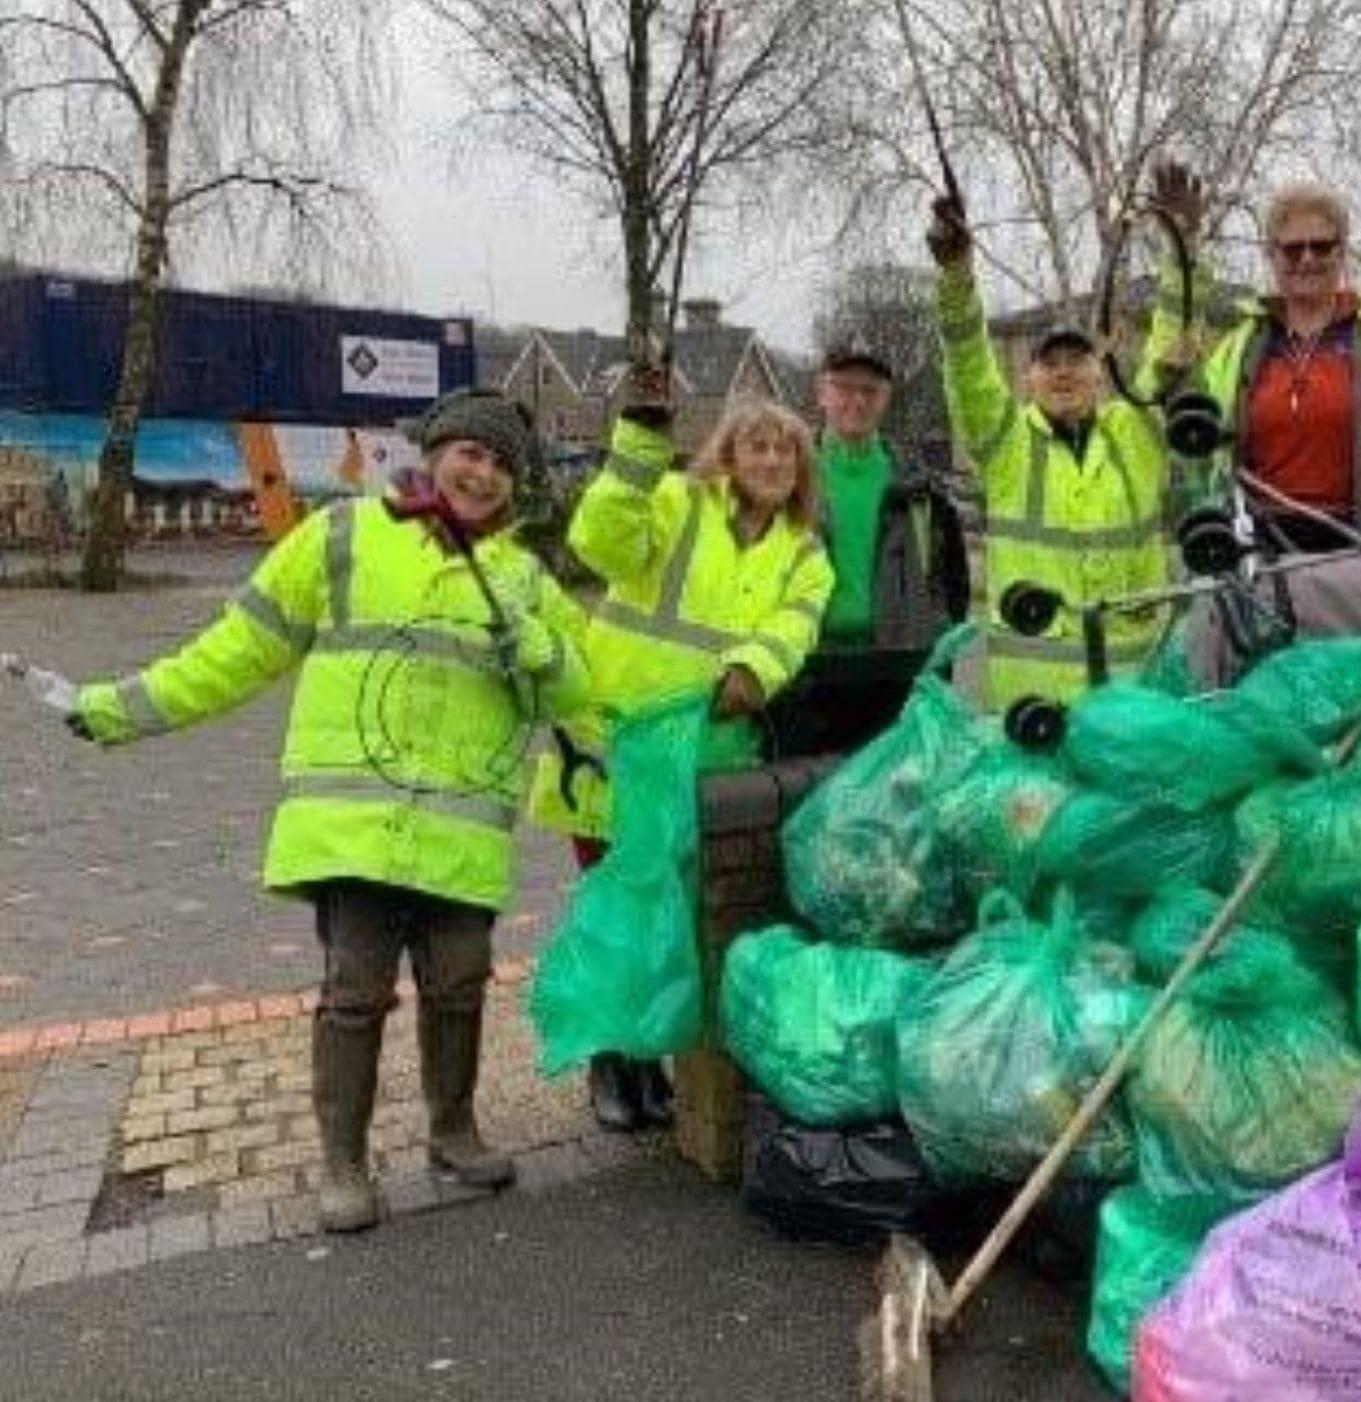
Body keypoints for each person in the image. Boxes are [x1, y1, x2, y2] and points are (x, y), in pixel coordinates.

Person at [64, 388, 591, 1232]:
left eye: (500, 464)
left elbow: (581, 687)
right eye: (470, 453)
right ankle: (343, 1163)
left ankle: (452, 1132)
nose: (483, 474)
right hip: (353, 832)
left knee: (459, 985)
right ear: (434, 452)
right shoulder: (341, 537)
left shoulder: (524, 576)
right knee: (356, 993)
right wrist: (122, 708)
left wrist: (546, 654)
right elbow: (238, 649)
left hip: (461, 835)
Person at [529, 384, 834, 1131]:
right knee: (619, 909)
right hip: (618, 744)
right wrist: (637, 443)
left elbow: (794, 628)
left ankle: (655, 1061)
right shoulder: (671, 500)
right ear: (726, 455)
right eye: (755, 445)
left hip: (707, 754)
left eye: (784, 449)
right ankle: (612, 1062)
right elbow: (600, 541)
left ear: (801, 470)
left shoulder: (805, 554)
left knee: (677, 917)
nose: (770, 459)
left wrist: (754, 671)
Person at [927, 162, 1196, 711]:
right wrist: (957, 278)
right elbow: (969, 366)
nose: (1065, 372)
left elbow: (1171, 345)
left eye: (1078, 360)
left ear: (1100, 370)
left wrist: (1183, 250)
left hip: (1135, 693)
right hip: (1035, 705)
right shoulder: (1006, 443)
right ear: (1028, 379)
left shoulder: (1135, 429)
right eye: (1050, 363)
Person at [1185, 182, 1361, 551]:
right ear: (1272, 255)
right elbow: (1189, 437)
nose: (1306, 259)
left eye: (1321, 246)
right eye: (1291, 249)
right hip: (1260, 553)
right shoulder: (1240, 344)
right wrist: (1183, 252)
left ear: (1343, 252)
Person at [812, 343, 969, 651]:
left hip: (898, 667)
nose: (858, 401)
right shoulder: (787, 479)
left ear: (886, 398)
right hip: (806, 665)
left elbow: (950, 586)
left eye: (870, 390)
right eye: (844, 387)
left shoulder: (920, 488)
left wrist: (937, 658)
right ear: (822, 393)